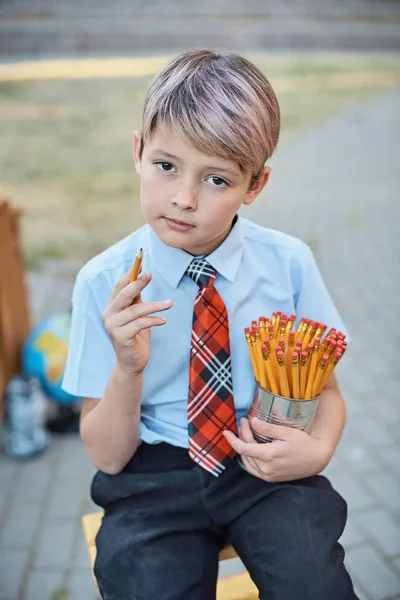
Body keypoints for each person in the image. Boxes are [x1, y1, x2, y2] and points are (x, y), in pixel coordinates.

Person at [62, 49, 358, 600]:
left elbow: (329, 393)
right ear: (137, 151)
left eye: (217, 179)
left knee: (314, 583)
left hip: (262, 462)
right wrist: (127, 368)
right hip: (150, 478)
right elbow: (107, 456)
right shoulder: (102, 282)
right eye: (166, 165)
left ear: (256, 185)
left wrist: (315, 453)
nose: (184, 198)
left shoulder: (287, 264)